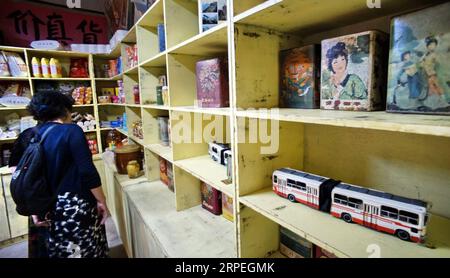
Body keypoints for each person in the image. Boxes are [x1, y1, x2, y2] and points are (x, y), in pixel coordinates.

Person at [14, 91, 109, 258]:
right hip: (73, 207)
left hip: (44, 208)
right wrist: (102, 200)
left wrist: (34, 209)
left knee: (57, 251)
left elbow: (25, 176)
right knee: (83, 251)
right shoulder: (71, 131)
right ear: (65, 110)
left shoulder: (28, 134)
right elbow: (87, 172)